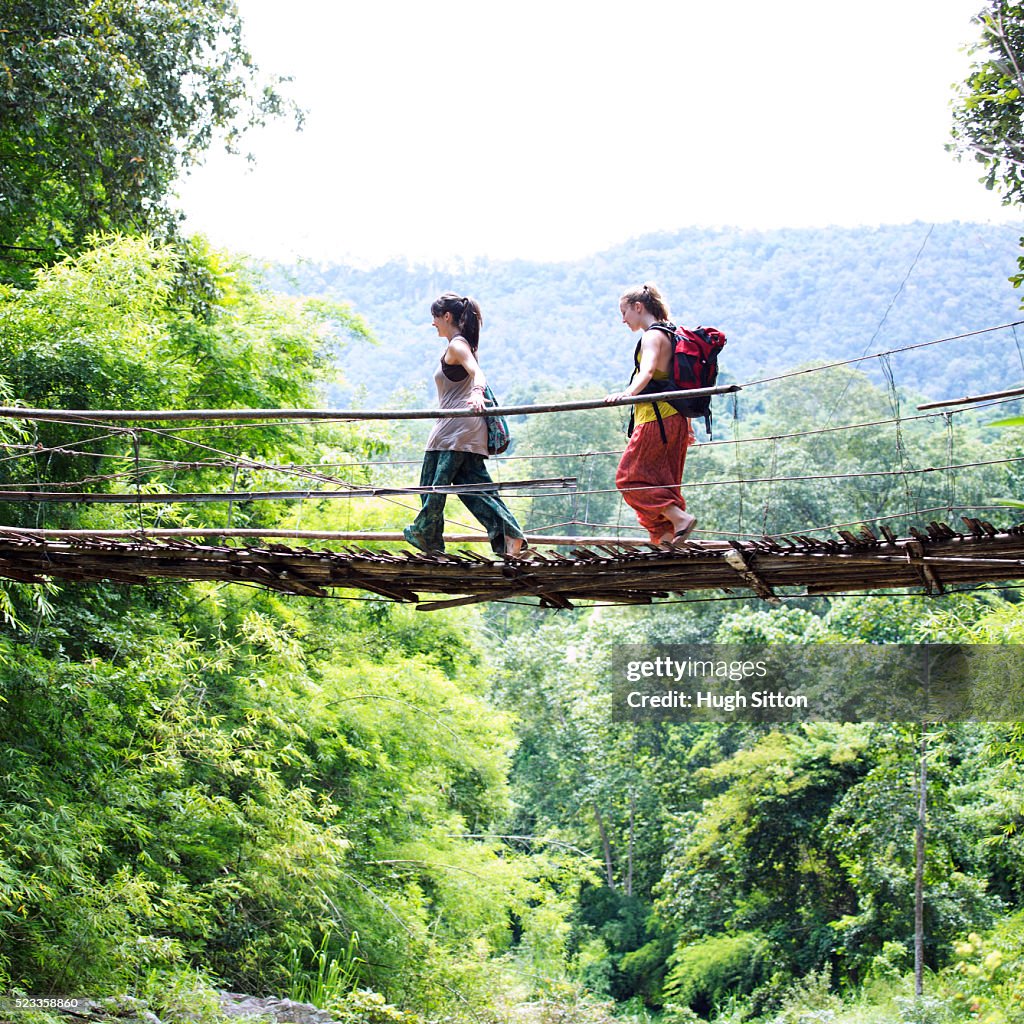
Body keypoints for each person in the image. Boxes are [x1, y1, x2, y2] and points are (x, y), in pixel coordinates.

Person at [403, 292, 527, 557]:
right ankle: (510, 535)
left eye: (434, 318)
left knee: (431, 485)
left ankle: (428, 538)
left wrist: (476, 391)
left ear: (446, 316)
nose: (433, 324)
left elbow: (477, 374)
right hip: (463, 430)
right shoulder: (462, 345)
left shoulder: (457, 346)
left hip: (454, 431)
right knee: (474, 488)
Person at [604, 282, 697, 546]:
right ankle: (664, 537)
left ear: (638, 306)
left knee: (629, 478)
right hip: (675, 419)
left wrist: (627, 394)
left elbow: (647, 372)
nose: (623, 320)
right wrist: (688, 425)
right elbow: (677, 381)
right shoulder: (672, 333)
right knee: (662, 482)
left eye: (624, 312)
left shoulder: (652, 336)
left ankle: (678, 519)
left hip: (657, 419)